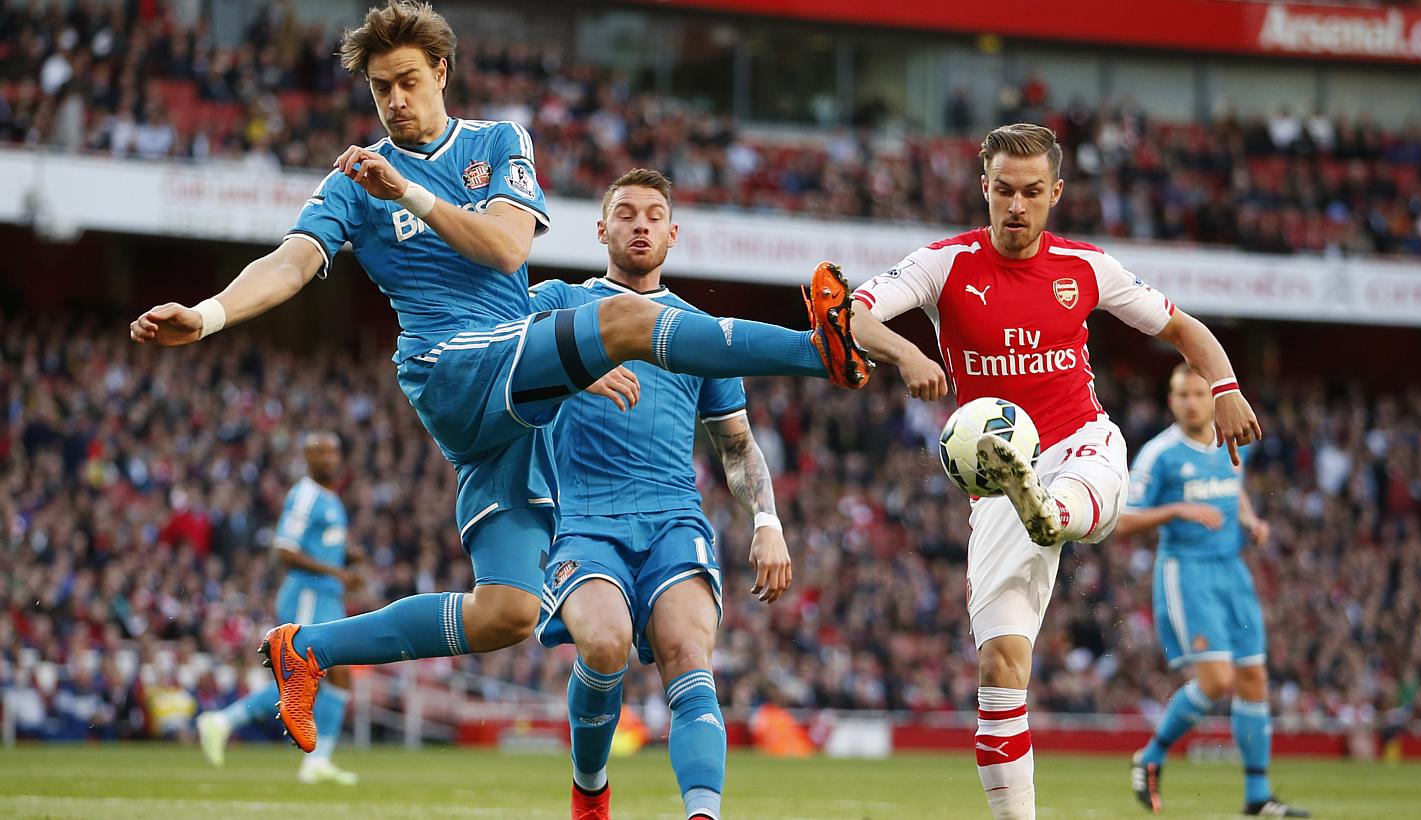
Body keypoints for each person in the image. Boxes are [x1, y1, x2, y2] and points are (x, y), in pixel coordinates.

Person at [127, 0, 869, 754]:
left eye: (408, 81)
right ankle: (821, 351)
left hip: (512, 397)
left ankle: (308, 649)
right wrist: (211, 314)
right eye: (380, 88)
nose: (394, 101)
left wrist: (417, 200)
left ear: (441, 72)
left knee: (506, 613)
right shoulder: (356, 180)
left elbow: (509, 248)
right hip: (450, 368)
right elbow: (292, 261)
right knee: (627, 325)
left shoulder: (496, 143)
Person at [845, 123, 1261, 820]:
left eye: (1032, 192)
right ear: (984, 188)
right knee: (999, 668)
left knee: (1069, 496)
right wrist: (906, 354)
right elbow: (855, 314)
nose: (1016, 205)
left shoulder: (1088, 267)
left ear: (1055, 193)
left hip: (1081, 448)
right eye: (1003, 190)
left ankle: (1053, 511)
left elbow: (1184, 328)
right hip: (1000, 484)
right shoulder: (944, 265)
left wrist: (1226, 389)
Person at [529, 168, 790, 820]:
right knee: (606, 643)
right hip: (584, 518)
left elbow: (736, 445)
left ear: (672, 234)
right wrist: (572, 364)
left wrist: (768, 521)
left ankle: (703, 814)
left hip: (675, 518)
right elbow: (495, 344)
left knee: (688, 655)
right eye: (626, 213)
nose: (639, 224)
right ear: (601, 229)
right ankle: (590, 790)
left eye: (653, 215)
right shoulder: (560, 303)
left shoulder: (697, 330)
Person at [1118, 364, 1308, 817]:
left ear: (1212, 397)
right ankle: (1150, 756)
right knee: (1217, 680)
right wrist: (1177, 509)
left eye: (1199, 394)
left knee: (1253, 679)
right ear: (1171, 400)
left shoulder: (1227, 439)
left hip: (1232, 570)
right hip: (1188, 572)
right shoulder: (1158, 454)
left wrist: (1250, 520)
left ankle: (1258, 798)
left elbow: (1232, 487)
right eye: (1182, 395)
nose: (1191, 402)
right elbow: (1122, 521)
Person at [195, 431, 364, 785]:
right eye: (320, 453)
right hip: (307, 595)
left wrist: (347, 556)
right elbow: (284, 550)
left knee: (342, 673)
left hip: (328, 596)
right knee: (300, 678)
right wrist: (337, 570)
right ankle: (223, 721)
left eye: (334, 452)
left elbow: (320, 544)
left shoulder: (331, 498)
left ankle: (318, 760)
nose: (329, 459)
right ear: (307, 458)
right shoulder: (304, 495)